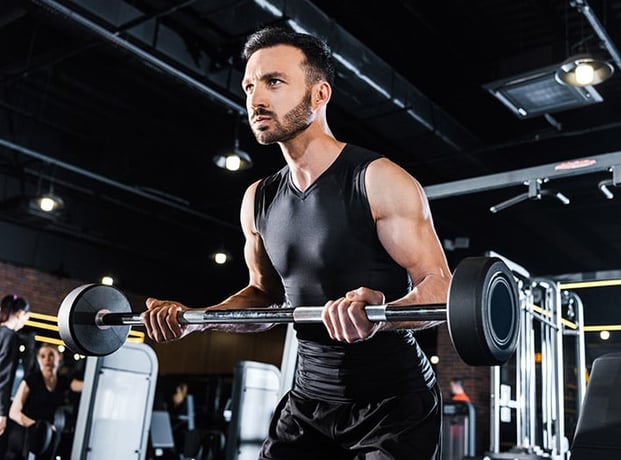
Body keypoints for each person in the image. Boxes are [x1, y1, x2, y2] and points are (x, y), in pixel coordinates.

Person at [142, 25, 452, 460]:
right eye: (250, 85)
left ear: (319, 94)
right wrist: (196, 319)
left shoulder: (379, 180)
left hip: (394, 406)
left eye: (273, 82)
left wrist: (380, 316)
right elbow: (263, 296)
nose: (255, 99)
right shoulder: (259, 199)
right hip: (308, 403)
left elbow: (440, 287)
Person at [8, 343, 83, 460]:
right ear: (38, 360)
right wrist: (38, 426)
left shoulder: (63, 381)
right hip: (25, 437)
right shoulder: (31, 380)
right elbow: (14, 412)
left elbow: (84, 386)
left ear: (60, 356)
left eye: (51, 355)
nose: (47, 360)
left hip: (47, 439)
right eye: (42, 356)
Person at [0, 295, 30, 460]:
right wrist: (2, 414)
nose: (25, 321)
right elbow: (3, 377)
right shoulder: (10, 336)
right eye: (26, 316)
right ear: (19, 313)